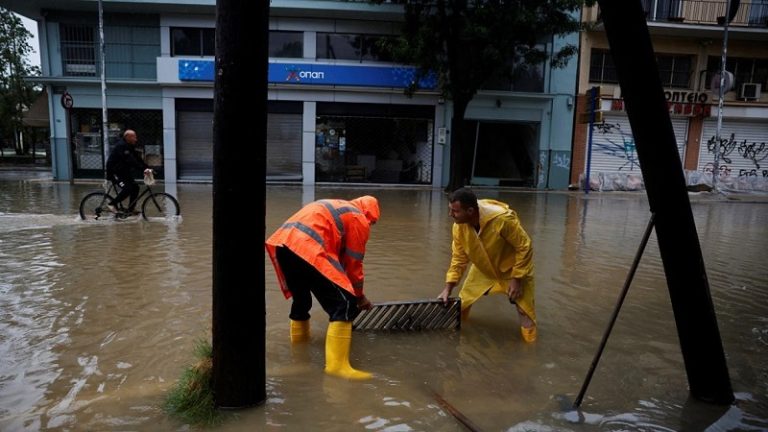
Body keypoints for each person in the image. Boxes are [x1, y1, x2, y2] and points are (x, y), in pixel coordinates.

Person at [265, 196, 380, 380]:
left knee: (302, 301)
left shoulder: (340, 207)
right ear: (370, 215)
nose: (370, 226)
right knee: (345, 304)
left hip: (284, 245)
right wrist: (359, 297)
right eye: (372, 223)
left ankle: (299, 355)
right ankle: (337, 367)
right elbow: (353, 265)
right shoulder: (359, 218)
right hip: (307, 248)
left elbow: (339, 263)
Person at [437, 187, 537, 343]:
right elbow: (459, 258)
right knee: (461, 305)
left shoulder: (502, 220)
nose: (450, 215)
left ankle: (530, 351)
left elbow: (524, 246)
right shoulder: (458, 227)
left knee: (525, 312)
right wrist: (448, 288)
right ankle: (457, 339)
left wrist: (517, 278)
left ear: (470, 211)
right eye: (450, 210)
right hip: (482, 269)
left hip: (512, 269)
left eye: (455, 211)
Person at [105, 129, 152, 214]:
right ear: (127, 137)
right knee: (128, 188)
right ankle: (112, 204)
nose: (136, 139)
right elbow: (130, 160)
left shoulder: (129, 146)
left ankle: (131, 209)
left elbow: (137, 158)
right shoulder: (121, 146)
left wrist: (147, 167)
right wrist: (143, 169)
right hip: (114, 172)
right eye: (134, 137)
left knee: (135, 187)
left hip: (123, 172)